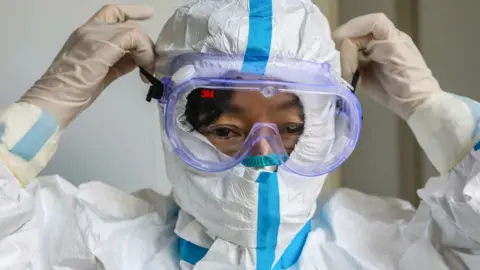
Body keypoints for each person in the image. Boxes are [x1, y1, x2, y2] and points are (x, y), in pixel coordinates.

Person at [1, 1, 480, 269]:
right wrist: (49, 102)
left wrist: (434, 111)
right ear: (179, 126)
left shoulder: (389, 248)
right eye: (228, 130)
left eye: (291, 128)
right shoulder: (94, 241)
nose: (263, 156)